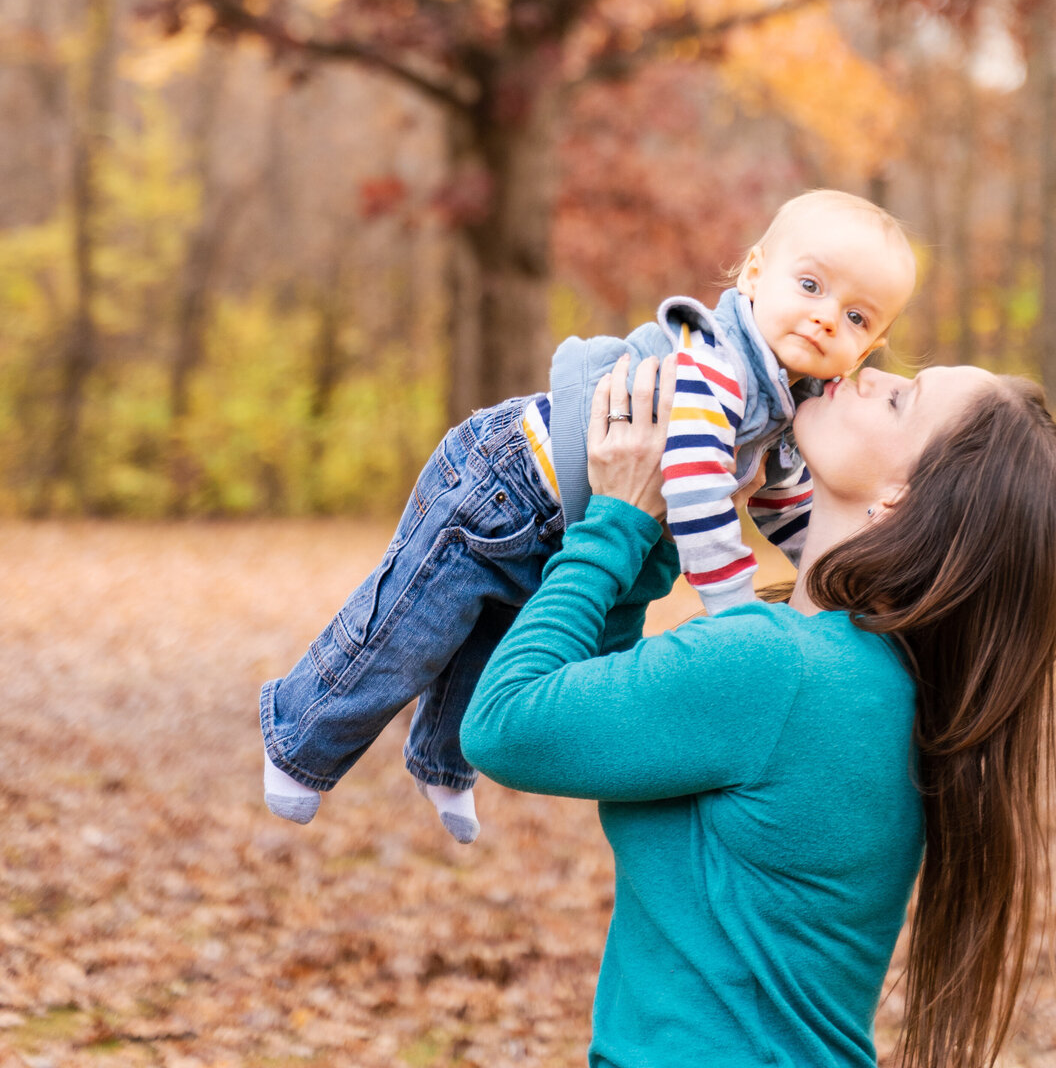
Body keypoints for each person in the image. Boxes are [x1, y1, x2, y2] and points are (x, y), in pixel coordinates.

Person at [462, 351, 1056, 1068]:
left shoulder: (779, 669)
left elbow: (505, 724)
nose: (871, 370)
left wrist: (612, 524)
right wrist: (654, 526)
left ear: (901, 500)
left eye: (900, 402)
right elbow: (602, 713)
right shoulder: (872, 676)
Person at [260, 189, 917, 842]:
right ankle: (298, 735)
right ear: (754, 275)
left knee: (486, 638)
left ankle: (442, 763)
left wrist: (842, 574)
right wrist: (733, 609)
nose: (827, 318)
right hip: (507, 478)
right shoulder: (719, 362)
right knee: (414, 627)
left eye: (858, 318)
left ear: (873, 344)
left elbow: (787, 506)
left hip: (558, 518)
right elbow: (693, 487)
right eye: (809, 285)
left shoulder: (787, 406)